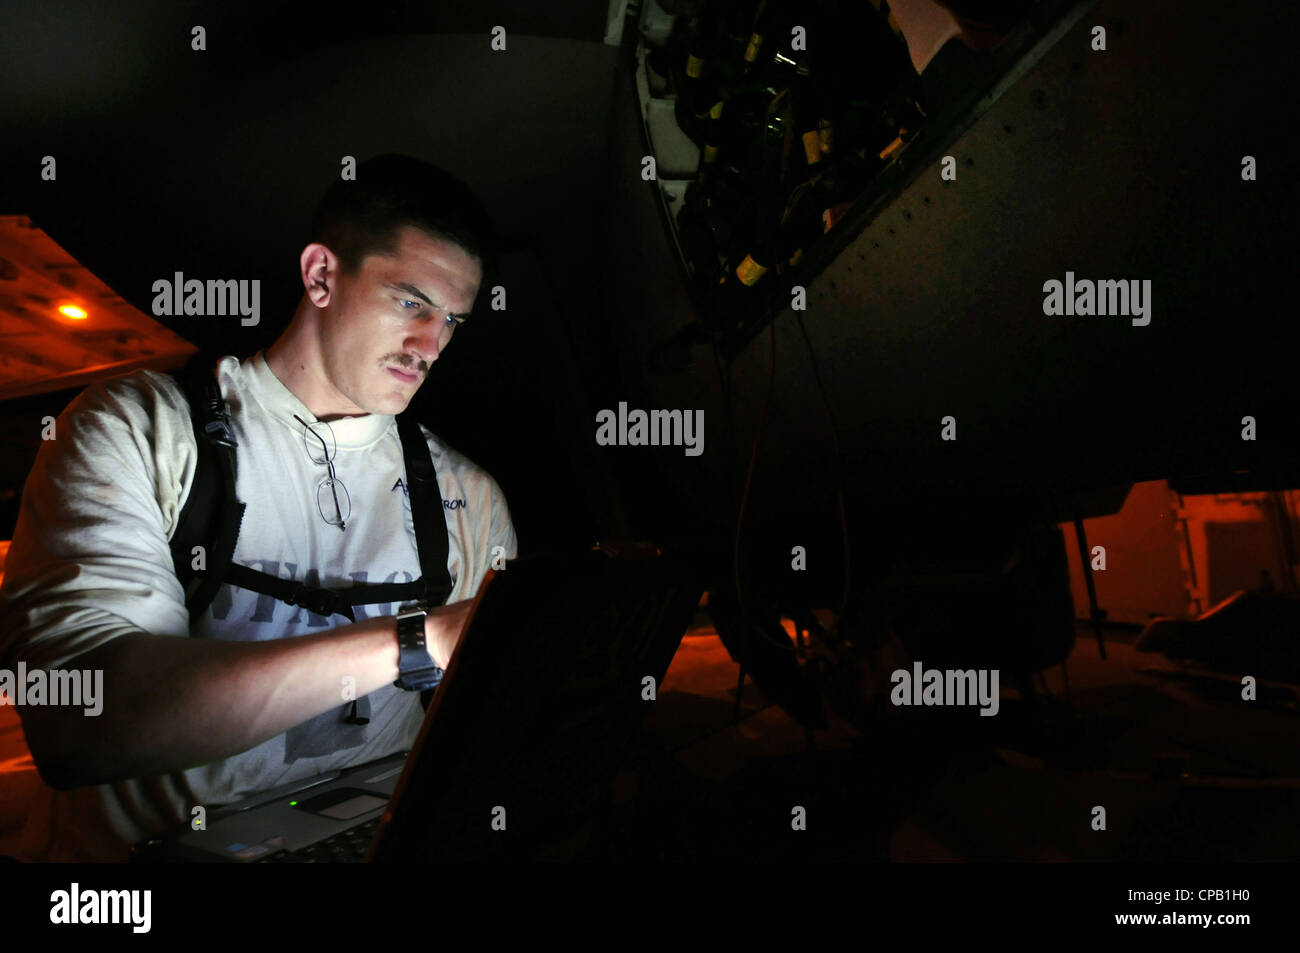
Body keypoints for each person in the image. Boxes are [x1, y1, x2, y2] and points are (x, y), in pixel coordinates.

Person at [0, 154, 518, 861]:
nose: (432, 345)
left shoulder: (470, 497)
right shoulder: (135, 429)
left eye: (452, 320)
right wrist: (416, 639)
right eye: (410, 302)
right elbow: (79, 726)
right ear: (321, 275)